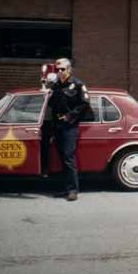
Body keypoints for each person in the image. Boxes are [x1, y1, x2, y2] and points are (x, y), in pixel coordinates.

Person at [47, 58, 90, 201]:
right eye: (57, 69)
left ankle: (73, 190)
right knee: (61, 158)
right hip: (58, 125)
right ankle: (66, 189)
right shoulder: (55, 86)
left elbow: (84, 103)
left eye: (62, 69)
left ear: (69, 70)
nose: (59, 72)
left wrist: (70, 116)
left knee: (68, 158)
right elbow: (52, 108)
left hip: (70, 125)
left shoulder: (77, 84)